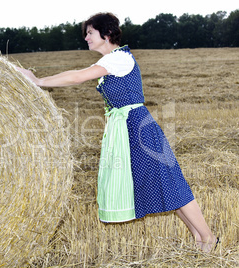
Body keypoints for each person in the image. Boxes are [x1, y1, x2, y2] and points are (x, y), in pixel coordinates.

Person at [16, 12, 218, 252]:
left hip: (139, 128)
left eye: (90, 33)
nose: (86, 38)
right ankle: (199, 238)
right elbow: (75, 74)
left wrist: (38, 81)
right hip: (127, 130)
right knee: (161, 185)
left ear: (107, 33)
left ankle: (209, 238)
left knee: (171, 183)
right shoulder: (109, 61)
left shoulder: (119, 59)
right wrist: (37, 79)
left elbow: (78, 77)